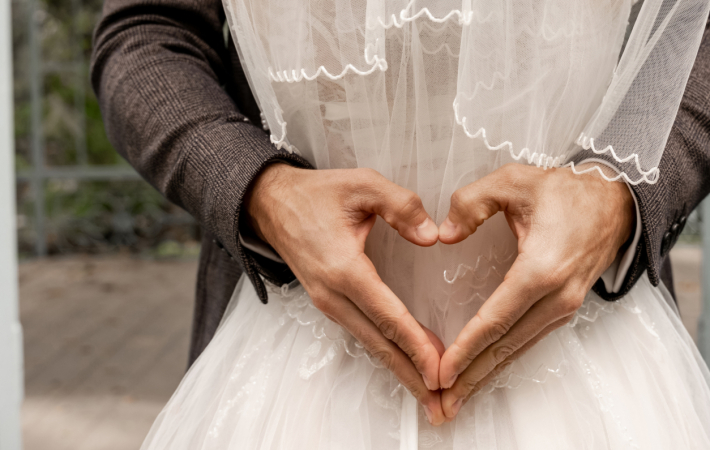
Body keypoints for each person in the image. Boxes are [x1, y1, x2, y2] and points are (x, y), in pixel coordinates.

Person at [92, 0, 710, 447]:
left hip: (589, 357)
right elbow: (144, 30)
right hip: (291, 359)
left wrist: (617, 192)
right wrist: (264, 191)